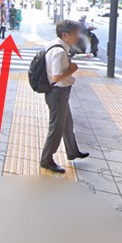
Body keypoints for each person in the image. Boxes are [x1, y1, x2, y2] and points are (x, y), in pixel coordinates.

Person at [40, 20, 89, 173]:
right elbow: (56, 77)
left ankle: (72, 151)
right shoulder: (60, 52)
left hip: (58, 92)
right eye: (75, 35)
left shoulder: (55, 44)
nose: (77, 38)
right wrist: (72, 69)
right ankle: (46, 159)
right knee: (57, 128)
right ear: (65, 35)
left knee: (67, 123)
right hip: (58, 92)